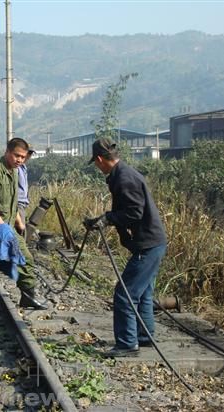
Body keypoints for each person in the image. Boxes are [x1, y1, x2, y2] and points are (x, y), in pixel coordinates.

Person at [85, 137, 167, 357]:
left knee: (125, 294)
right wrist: (102, 220)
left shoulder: (124, 178)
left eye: (96, 163)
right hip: (152, 242)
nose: (97, 167)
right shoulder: (121, 174)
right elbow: (125, 210)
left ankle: (127, 344)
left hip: (148, 244)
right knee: (143, 293)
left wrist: (108, 219)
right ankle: (144, 336)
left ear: (100, 159)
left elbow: (134, 213)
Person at [0, 138, 48, 324]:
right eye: (16, 155)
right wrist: (0, 225)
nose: (20, 159)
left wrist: (19, 222)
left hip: (7, 225)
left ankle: (28, 296)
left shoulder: (14, 171)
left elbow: (12, 202)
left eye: (23, 157)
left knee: (26, 259)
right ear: (7, 152)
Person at [17, 146, 35, 231]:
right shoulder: (16, 168)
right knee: (20, 230)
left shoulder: (23, 168)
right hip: (18, 203)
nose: (28, 156)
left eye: (30, 154)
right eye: (28, 153)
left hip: (23, 203)